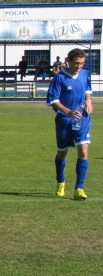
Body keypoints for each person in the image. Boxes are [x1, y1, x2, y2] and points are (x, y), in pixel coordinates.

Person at [46, 48, 93, 200]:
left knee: (84, 151)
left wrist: (88, 101)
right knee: (62, 152)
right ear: (69, 61)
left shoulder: (84, 74)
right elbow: (53, 100)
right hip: (65, 120)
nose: (79, 66)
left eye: (82, 63)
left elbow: (87, 89)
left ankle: (79, 188)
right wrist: (68, 112)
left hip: (82, 118)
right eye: (76, 63)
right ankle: (60, 182)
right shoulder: (59, 78)